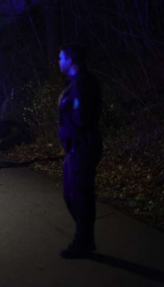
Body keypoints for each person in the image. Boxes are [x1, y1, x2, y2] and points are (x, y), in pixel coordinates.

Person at [58, 44, 103, 259]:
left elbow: (82, 117)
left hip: (82, 146)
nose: (59, 62)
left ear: (71, 60)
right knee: (71, 194)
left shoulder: (84, 84)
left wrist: (73, 131)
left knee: (80, 194)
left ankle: (83, 239)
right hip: (73, 147)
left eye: (61, 58)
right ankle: (85, 236)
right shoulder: (74, 83)